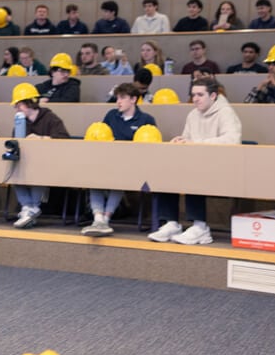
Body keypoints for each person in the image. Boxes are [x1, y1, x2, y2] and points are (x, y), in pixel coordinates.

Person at [148, 78, 242, 245]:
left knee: (193, 174)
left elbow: (232, 140)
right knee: (165, 171)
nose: (195, 99)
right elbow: (189, 140)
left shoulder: (226, 113)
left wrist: (197, 143)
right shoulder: (193, 114)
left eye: (200, 95)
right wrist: (181, 141)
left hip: (223, 166)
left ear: (213, 95)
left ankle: (200, 227)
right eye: (193, 95)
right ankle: (172, 223)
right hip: (197, 162)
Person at [83, 83, 158, 236]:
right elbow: (101, 138)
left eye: (123, 98)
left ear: (133, 99)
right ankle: (98, 218)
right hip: (107, 161)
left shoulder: (146, 119)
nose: (118, 101)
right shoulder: (111, 115)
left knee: (118, 177)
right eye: (117, 98)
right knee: (93, 176)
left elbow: (151, 148)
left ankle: (105, 219)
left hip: (132, 166)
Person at [9, 83, 71, 229]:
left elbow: (64, 139)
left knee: (38, 170)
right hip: (25, 162)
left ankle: (32, 207)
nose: (16, 108)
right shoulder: (20, 121)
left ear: (29, 103)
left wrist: (42, 139)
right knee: (12, 168)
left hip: (48, 163)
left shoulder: (49, 118)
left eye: (19, 105)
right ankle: (28, 207)